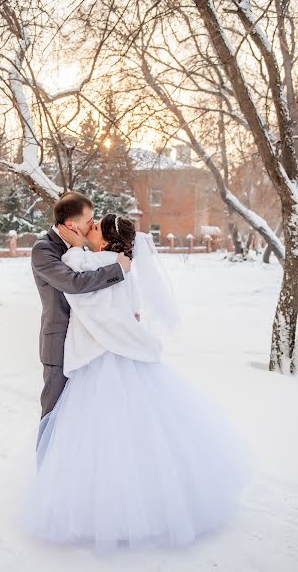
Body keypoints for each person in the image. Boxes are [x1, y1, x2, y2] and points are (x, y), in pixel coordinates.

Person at [20, 213, 252, 553]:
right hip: (121, 357)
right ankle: (150, 503)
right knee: (138, 435)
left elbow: (96, 309)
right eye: (88, 223)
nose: (89, 228)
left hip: (100, 360)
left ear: (107, 239)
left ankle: (95, 509)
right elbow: (130, 310)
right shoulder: (121, 266)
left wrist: (122, 327)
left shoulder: (89, 261)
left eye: (95, 227)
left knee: (97, 439)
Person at [31, 192, 131, 446]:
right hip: (60, 346)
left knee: (80, 421)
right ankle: (44, 477)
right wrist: (117, 270)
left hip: (89, 348)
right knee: (53, 417)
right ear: (71, 225)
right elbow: (74, 283)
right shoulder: (44, 250)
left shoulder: (82, 250)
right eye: (89, 219)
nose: (92, 224)